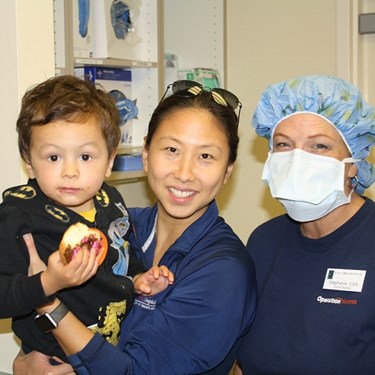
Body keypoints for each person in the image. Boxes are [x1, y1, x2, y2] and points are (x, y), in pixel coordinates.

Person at [13, 80, 257, 375]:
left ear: (228, 170)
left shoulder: (222, 270)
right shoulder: (117, 226)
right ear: (145, 153)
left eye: (205, 156)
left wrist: (47, 303)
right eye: (171, 149)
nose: (184, 173)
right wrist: (26, 361)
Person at [0, 75, 173, 363]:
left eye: (85, 157)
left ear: (109, 161)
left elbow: (123, 256)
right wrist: (47, 282)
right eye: (53, 158)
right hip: (53, 357)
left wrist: (140, 278)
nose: (70, 171)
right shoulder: (19, 217)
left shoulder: (113, 202)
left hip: (110, 352)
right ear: (29, 162)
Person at [235, 75, 375, 374]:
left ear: (353, 164)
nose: (298, 160)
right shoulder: (264, 241)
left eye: (320, 146)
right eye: (284, 144)